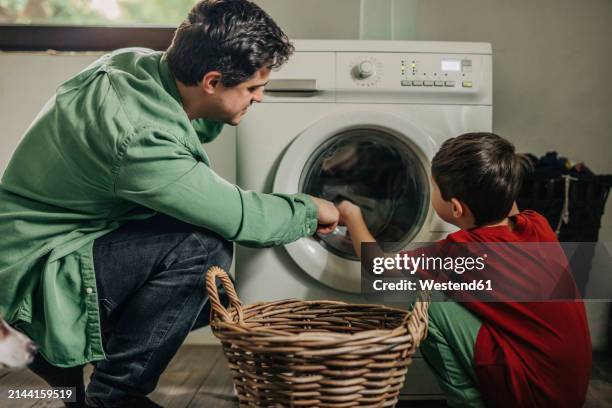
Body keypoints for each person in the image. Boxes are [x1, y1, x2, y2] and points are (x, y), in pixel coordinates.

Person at [0, 1, 339, 407]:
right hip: (37, 276)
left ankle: (75, 376)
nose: (260, 98)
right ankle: (115, 395)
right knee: (203, 248)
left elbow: (182, 127)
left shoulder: (136, 64)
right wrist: (313, 208)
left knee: (191, 285)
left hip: (35, 246)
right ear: (211, 80)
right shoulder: (139, 136)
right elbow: (242, 217)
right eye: (252, 88)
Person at [337, 133, 592, 407]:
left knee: (427, 301)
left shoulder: (461, 252)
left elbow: (378, 265)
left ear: (456, 208)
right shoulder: (536, 223)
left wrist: (352, 215)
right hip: (568, 388)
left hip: (532, 392)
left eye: (432, 188)